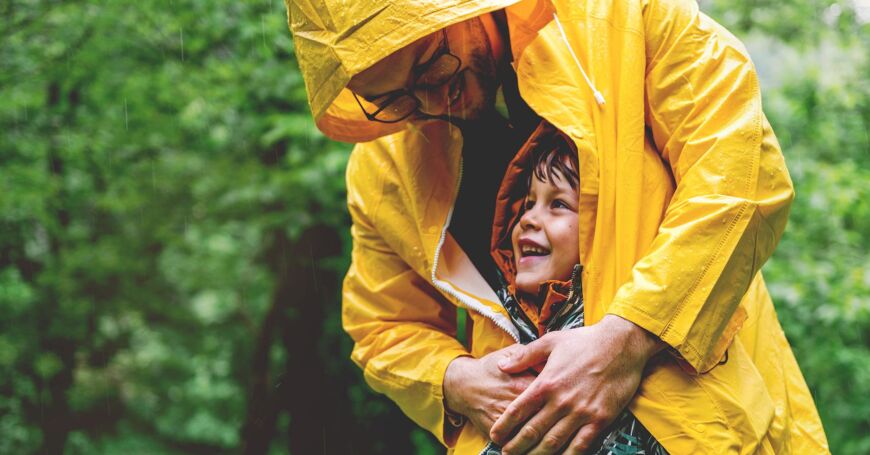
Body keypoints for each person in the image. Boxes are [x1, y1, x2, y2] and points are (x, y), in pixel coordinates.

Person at [283, 0, 830, 453]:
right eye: (390, 99)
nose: (429, 101)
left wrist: (629, 338)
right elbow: (382, 325)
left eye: (429, 64)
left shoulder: (623, 19)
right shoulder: (385, 170)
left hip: (703, 429)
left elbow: (739, 178)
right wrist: (454, 380)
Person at [484, 120, 666, 455]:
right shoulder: (503, 323)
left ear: (600, 233)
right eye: (527, 204)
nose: (528, 219)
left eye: (558, 204)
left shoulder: (634, 338)